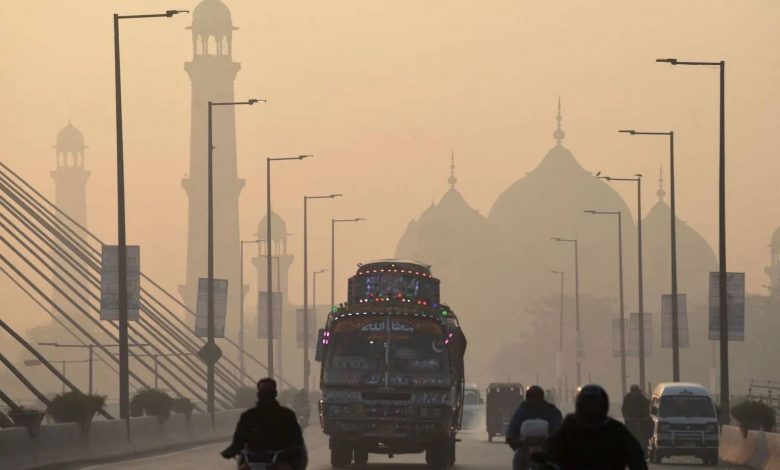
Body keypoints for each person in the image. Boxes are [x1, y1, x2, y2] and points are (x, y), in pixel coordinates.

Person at [545, 384, 647, 470]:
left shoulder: (615, 429)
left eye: (595, 406)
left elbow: (636, 457)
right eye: (587, 406)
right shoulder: (569, 427)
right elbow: (548, 452)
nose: (591, 410)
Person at [221, 378, 308, 470]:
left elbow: (296, 439)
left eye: (268, 392)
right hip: (252, 461)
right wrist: (232, 450)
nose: (266, 396)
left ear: (274, 393)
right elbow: (238, 440)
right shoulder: (248, 416)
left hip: (280, 460)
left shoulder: (287, 415)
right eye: (263, 392)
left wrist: (293, 450)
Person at [506, 385, 563, 470]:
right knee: (517, 459)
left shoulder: (551, 411)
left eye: (537, 397)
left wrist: (552, 439)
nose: (535, 400)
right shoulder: (522, 410)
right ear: (527, 398)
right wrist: (510, 437)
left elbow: (559, 427)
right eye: (532, 397)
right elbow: (513, 425)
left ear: (542, 398)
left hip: (547, 447)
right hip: (525, 448)